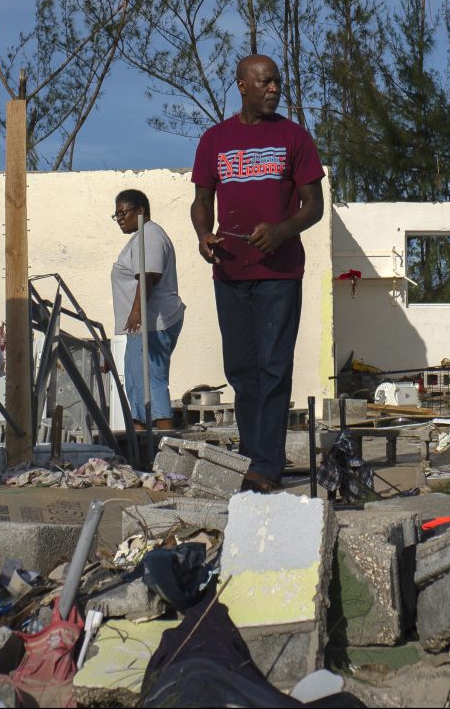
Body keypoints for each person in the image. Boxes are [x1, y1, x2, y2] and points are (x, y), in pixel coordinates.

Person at [191, 54, 324, 491]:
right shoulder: (214, 140)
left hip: (279, 274)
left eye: (277, 82)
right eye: (265, 82)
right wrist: (202, 233)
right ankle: (252, 458)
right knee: (242, 369)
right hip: (230, 272)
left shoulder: (294, 137)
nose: (274, 89)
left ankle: (266, 465)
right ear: (242, 85)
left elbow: (314, 205)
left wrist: (283, 231)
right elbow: (201, 200)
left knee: (273, 366)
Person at [111, 189, 185, 431]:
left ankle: (165, 447)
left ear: (140, 211)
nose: (120, 218)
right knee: (136, 384)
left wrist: (136, 312)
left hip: (151, 323)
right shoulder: (140, 237)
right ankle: (140, 449)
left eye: (124, 212)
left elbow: (148, 275)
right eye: (116, 214)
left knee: (152, 382)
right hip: (142, 325)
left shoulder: (150, 235)